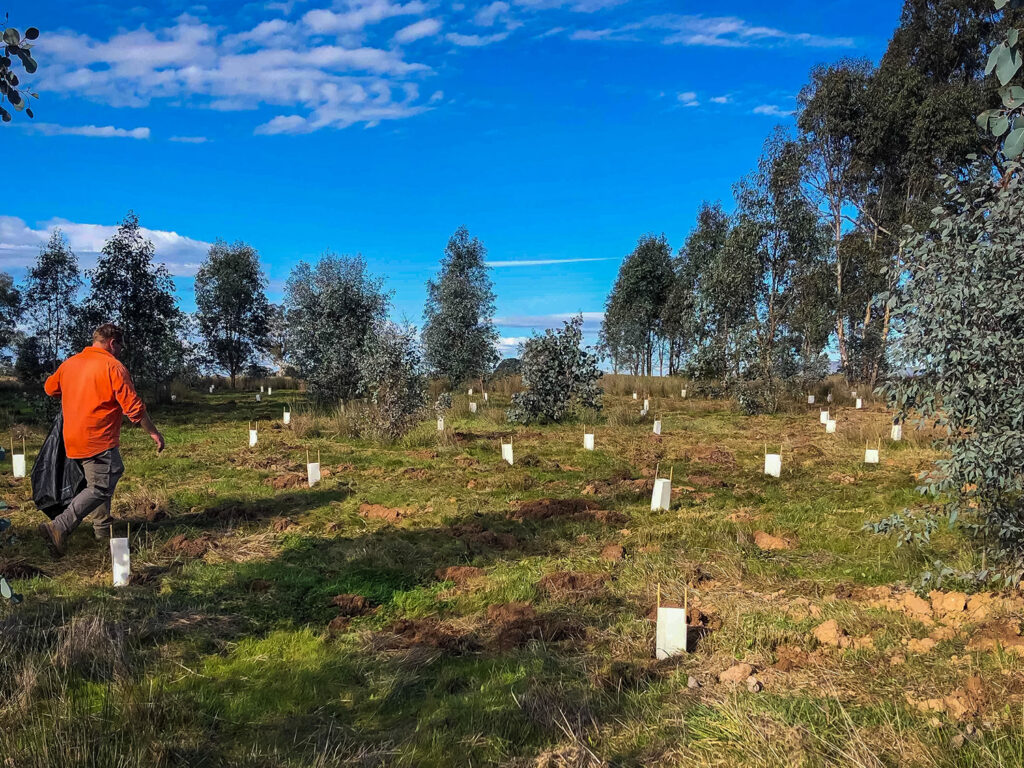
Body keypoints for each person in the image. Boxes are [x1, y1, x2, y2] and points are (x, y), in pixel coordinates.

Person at [38, 323, 165, 556]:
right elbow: (134, 408)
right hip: (97, 439)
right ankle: (58, 527)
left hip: (72, 439)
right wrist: (154, 433)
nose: (120, 351)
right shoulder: (113, 366)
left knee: (95, 482)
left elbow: (49, 388)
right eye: (120, 347)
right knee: (101, 485)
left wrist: (75, 390)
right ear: (112, 343)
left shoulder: (70, 363)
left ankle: (102, 531)